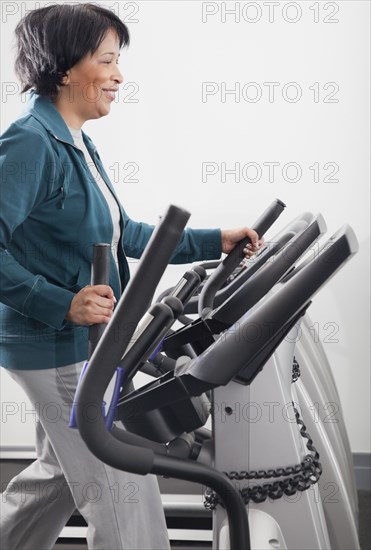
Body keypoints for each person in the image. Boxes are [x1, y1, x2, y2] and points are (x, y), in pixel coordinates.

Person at [0, 4, 261, 549]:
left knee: (57, 481)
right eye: (107, 60)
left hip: (83, 343)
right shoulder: (30, 142)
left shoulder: (73, 140)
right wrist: (60, 302)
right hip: (55, 345)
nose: (120, 76)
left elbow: (126, 234)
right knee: (120, 489)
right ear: (65, 68)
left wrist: (217, 241)